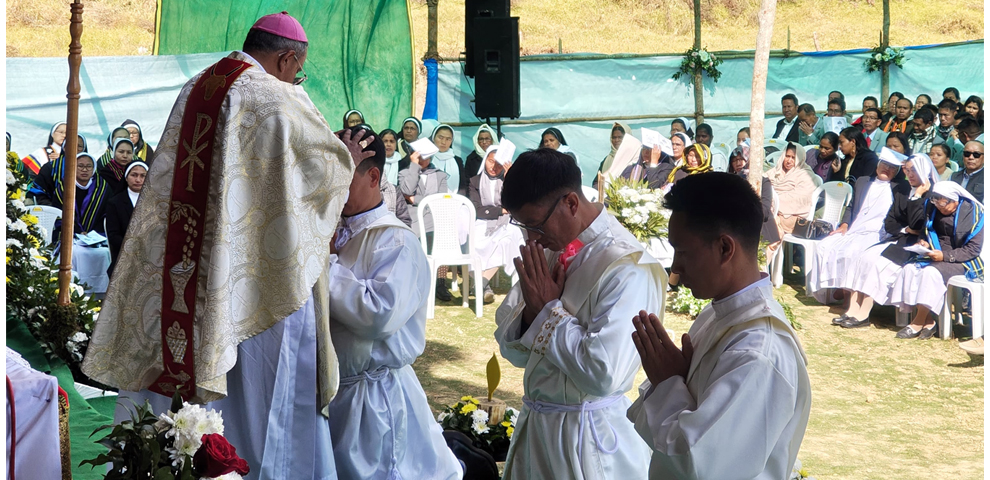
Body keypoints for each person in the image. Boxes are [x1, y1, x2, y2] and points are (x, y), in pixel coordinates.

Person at [82, 13, 372, 479]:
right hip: (250, 278)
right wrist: (347, 159)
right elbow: (319, 175)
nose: (296, 79)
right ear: (287, 58)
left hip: (184, 259)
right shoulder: (276, 97)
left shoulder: (197, 87)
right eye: (297, 71)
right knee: (254, 395)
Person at [627, 172, 811, 480]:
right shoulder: (718, 315)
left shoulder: (757, 351)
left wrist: (668, 383)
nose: (676, 268)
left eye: (683, 252)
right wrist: (677, 382)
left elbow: (700, 464)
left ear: (725, 248)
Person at [493, 148, 662, 480]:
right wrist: (532, 314)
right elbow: (513, 350)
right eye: (523, 226)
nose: (531, 238)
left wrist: (547, 313)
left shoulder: (628, 267)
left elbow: (604, 374)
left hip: (586, 438)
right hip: (537, 427)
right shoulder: (552, 246)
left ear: (571, 203)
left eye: (536, 225)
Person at [324, 127, 462, 479]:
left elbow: (378, 314)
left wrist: (325, 265)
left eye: (342, 175)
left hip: (375, 399)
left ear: (373, 176)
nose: (331, 185)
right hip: (334, 394)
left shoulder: (396, 241)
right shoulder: (333, 233)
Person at [832, 154, 935, 330]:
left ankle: (864, 313)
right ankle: (853, 309)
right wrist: (905, 229)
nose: (910, 175)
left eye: (914, 171)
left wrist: (917, 196)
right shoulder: (903, 191)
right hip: (899, 238)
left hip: (916, 245)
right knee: (862, 258)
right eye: (907, 170)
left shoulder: (931, 195)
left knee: (876, 264)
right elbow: (889, 222)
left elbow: (918, 225)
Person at [809, 152, 909, 308]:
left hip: (879, 232)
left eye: (892, 167)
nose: (887, 169)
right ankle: (836, 288)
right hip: (856, 227)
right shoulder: (863, 181)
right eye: (885, 164)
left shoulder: (900, 188)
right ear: (878, 164)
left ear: (897, 171)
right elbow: (851, 206)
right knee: (825, 246)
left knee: (854, 251)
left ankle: (848, 295)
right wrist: (844, 224)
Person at [890, 181, 984, 338]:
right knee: (909, 269)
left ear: (955, 200)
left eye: (943, 203)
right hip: (934, 254)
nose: (940, 207)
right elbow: (925, 231)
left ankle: (917, 322)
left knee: (930, 273)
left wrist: (945, 256)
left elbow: (972, 250)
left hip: (962, 260)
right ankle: (929, 322)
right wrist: (924, 242)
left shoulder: (974, 215)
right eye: (936, 202)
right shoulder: (932, 207)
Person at [468, 145, 525, 303]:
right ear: (485, 160)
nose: (494, 167)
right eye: (491, 161)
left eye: (499, 163)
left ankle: (481, 284)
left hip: (507, 222)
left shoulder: (508, 179)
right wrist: (501, 210)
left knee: (505, 239)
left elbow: (515, 203)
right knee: (472, 240)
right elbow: (477, 209)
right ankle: (483, 286)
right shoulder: (475, 181)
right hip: (483, 222)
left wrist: (510, 178)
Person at [399, 150, 454, 300]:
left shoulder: (440, 175)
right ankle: (416, 282)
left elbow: (441, 199)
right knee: (414, 241)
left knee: (442, 236)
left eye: (427, 156)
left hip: (436, 215)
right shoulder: (405, 173)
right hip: (414, 217)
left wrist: (415, 199)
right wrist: (414, 166)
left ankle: (440, 283)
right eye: (420, 156)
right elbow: (406, 190)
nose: (424, 159)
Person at [728, 143, 779, 245]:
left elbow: (765, 211)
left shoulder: (763, 182)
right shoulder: (729, 181)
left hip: (761, 230)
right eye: (734, 160)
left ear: (749, 160)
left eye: (741, 159)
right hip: (734, 229)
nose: (738, 163)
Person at [767, 142, 820, 239]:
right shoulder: (776, 171)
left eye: (793, 158)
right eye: (787, 156)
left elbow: (799, 198)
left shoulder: (806, 175)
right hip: (770, 209)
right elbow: (762, 184)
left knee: (768, 221)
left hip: (792, 216)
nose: (789, 161)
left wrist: (772, 202)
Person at [105, 161, 148, 276]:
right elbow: (113, 235)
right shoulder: (115, 203)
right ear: (126, 177)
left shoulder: (155, 203)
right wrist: (134, 247)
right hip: (124, 256)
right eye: (134, 175)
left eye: (143, 176)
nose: (138, 180)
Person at [28, 135, 88, 205]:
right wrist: (52, 207)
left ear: (84, 149)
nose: (75, 148)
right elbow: (38, 191)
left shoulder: (91, 170)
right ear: (64, 147)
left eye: (79, 146)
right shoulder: (49, 168)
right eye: (71, 145)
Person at [430, 123, 466, 196]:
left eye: (448, 139)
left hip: (453, 199)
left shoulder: (457, 160)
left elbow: (462, 186)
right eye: (440, 137)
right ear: (433, 138)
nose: (443, 142)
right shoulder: (427, 158)